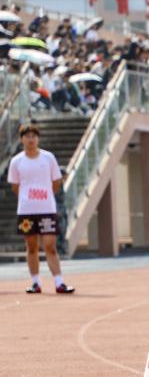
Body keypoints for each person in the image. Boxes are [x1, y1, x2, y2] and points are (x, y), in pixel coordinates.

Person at [7, 124, 73, 294]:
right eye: (27, 136)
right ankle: (35, 282)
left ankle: (59, 282)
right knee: (31, 247)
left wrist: (46, 195)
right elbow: (15, 186)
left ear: (38, 138)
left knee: (50, 246)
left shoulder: (48, 158)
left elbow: (56, 181)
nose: (31, 139)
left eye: (34, 136)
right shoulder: (16, 161)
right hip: (26, 211)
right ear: (22, 139)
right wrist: (28, 197)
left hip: (46, 209)